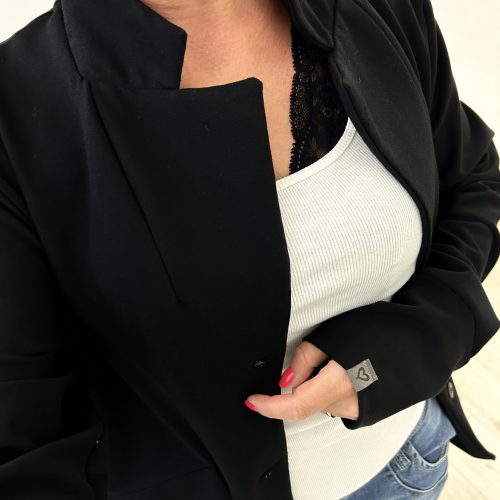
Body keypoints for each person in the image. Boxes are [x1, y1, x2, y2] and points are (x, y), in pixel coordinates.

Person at [0, 0, 498, 498]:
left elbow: (471, 180)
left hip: (410, 460)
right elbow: (26, 434)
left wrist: (409, 347)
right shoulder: (19, 111)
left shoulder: (375, 9)